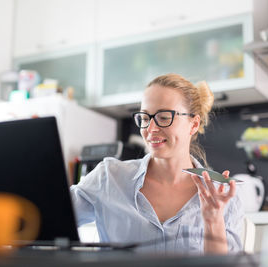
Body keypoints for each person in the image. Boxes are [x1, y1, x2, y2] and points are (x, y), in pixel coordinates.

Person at [70, 73, 243, 254]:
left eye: (163, 117)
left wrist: (213, 220)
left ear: (193, 124)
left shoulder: (223, 196)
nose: (150, 129)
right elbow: (51, 218)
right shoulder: (108, 178)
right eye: (145, 118)